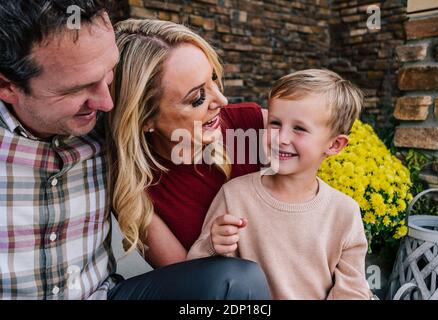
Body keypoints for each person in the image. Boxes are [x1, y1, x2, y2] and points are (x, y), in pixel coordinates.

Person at [0, 0, 270, 300]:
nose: (107, 104)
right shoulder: (132, 173)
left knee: (234, 280)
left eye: (109, 74)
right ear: (7, 86)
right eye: (78, 89)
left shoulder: (103, 131)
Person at [188, 69, 372, 300]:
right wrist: (214, 245)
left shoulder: (344, 212)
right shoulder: (235, 195)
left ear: (335, 145)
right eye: (275, 123)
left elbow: (352, 291)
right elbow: (199, 277)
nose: (281, 138)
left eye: (299, 128)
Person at [106, 18, 269, 269]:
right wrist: (208, 245)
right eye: (197, 98)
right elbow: (192, 285)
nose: (222, 100)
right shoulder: (136, 192)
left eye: (213, 79)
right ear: (144, 118)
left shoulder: (252, 124)